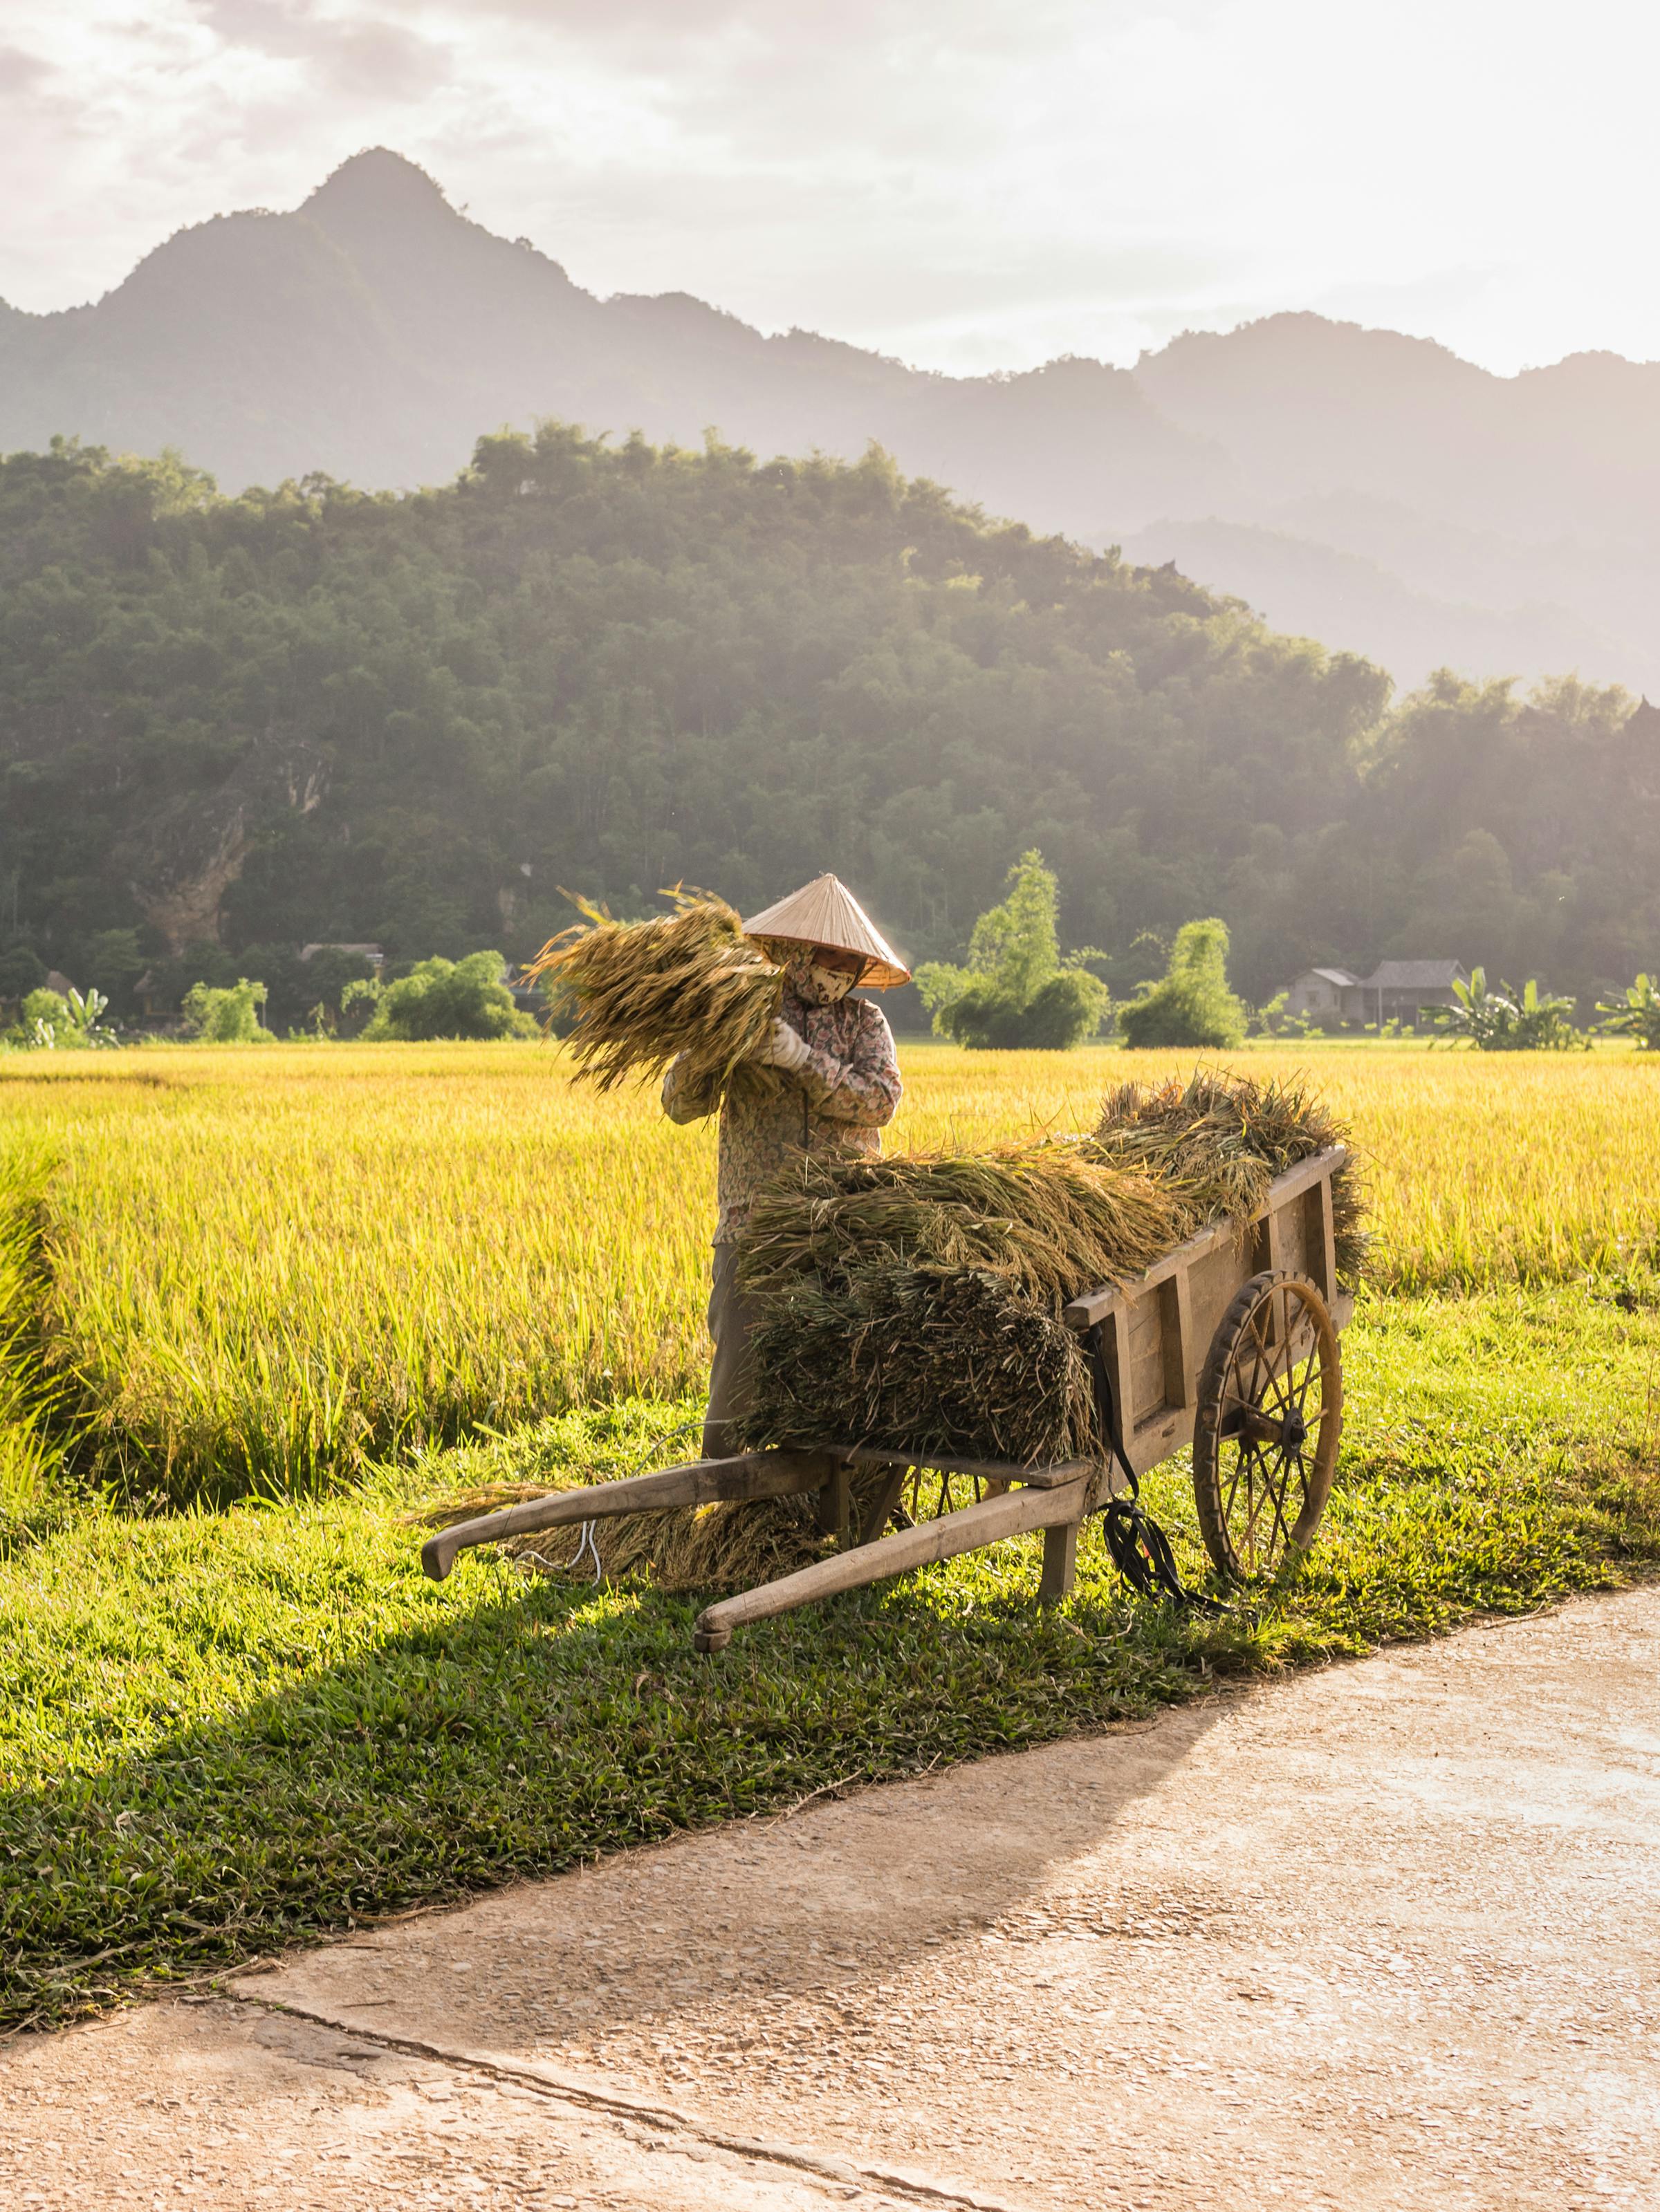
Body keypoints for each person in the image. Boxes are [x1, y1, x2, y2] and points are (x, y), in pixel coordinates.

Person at [662, 873, 909, 1458]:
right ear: (798, 951)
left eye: (850, 961)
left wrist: (805, 1060)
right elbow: (678, 1102)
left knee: (836, 1378)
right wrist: (713, 1054)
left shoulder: (863, 1024)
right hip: (755, 1227)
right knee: (739, 1381)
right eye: (830, 955)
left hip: (842, 1227)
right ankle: (727, 1513)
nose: (839, 970)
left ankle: (826, 1512)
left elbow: (881, 1100)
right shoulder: (741, 1008)